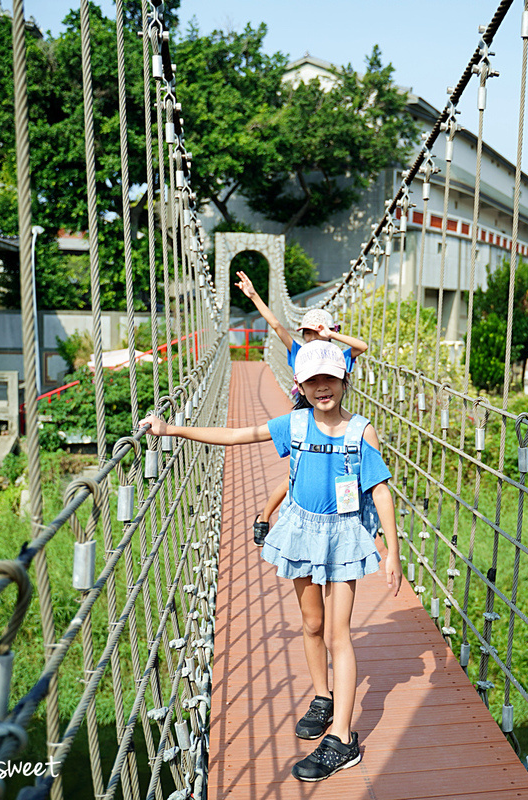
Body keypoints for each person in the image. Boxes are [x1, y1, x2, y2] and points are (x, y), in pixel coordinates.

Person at [143, 340, 401, 782]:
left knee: (340, 633)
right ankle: (323, 696)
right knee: (312, 624)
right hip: (301, 530)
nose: (323, 387)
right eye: (313, 380)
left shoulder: (362, 431)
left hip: (341, 537)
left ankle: (342, 738)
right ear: (299, 384)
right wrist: (173, 431)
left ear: (345, 380)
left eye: (331, 378)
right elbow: (237, 436)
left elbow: (379, 489)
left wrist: (393, 551)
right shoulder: (295, 424)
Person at [234, 270, 369, 547]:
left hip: (334, 419)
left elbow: (362, 346)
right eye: (309, 333)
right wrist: (254, 296)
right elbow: (275, 325)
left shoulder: (340, 356)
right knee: (293, 474)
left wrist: (329, 333)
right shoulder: (298, 351)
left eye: (318, 333)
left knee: (336, 471)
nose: (313, 338)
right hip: (305, 416)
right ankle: (265, 516)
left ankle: (340, 527)